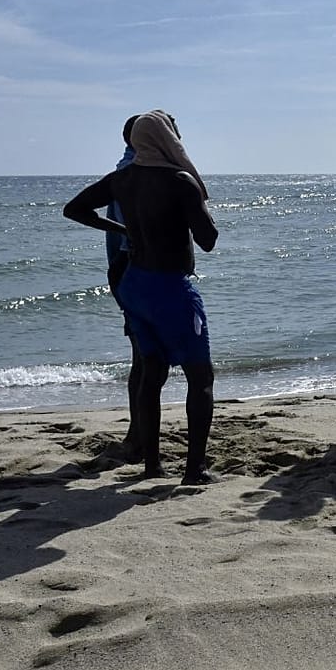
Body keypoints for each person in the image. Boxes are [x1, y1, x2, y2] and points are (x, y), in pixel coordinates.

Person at [64, 110, 219, 485]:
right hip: (170, 287)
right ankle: (194, 470)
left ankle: (152, 465)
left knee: (153, 373)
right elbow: (208, 240)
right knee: (200, 377)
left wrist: (125, 229)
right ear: (167, 139)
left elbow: (75, 209)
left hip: (133, 285)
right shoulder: (180, 180)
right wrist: (196, 207)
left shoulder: (122, 179)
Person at [105, 115, 145, 457]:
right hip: (138, 275)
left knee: (144, 360)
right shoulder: (134, 173)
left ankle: (138, 433)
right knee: (146, 361)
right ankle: (137, 437)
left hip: (128, 274)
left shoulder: (126, 170)